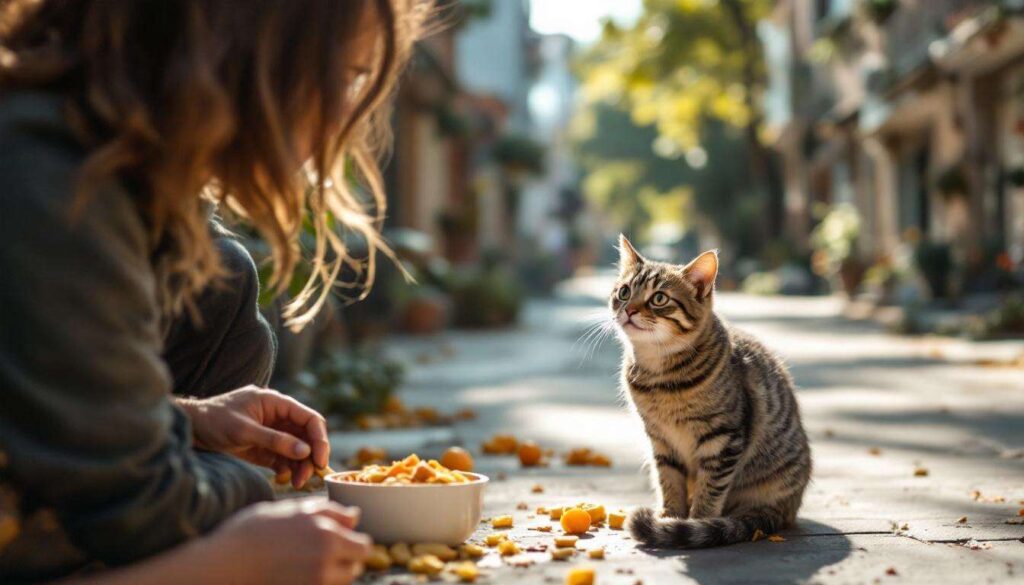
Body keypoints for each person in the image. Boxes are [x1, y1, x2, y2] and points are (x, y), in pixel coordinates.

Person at [0, 1, 425, 583]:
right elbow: (147, 510)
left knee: (221, 275)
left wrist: (185, 419)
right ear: (252, 47)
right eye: (346, 76)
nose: (348, 114)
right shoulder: (52, 174)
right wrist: (247, 519)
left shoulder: (101, 150)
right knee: (234, 499)